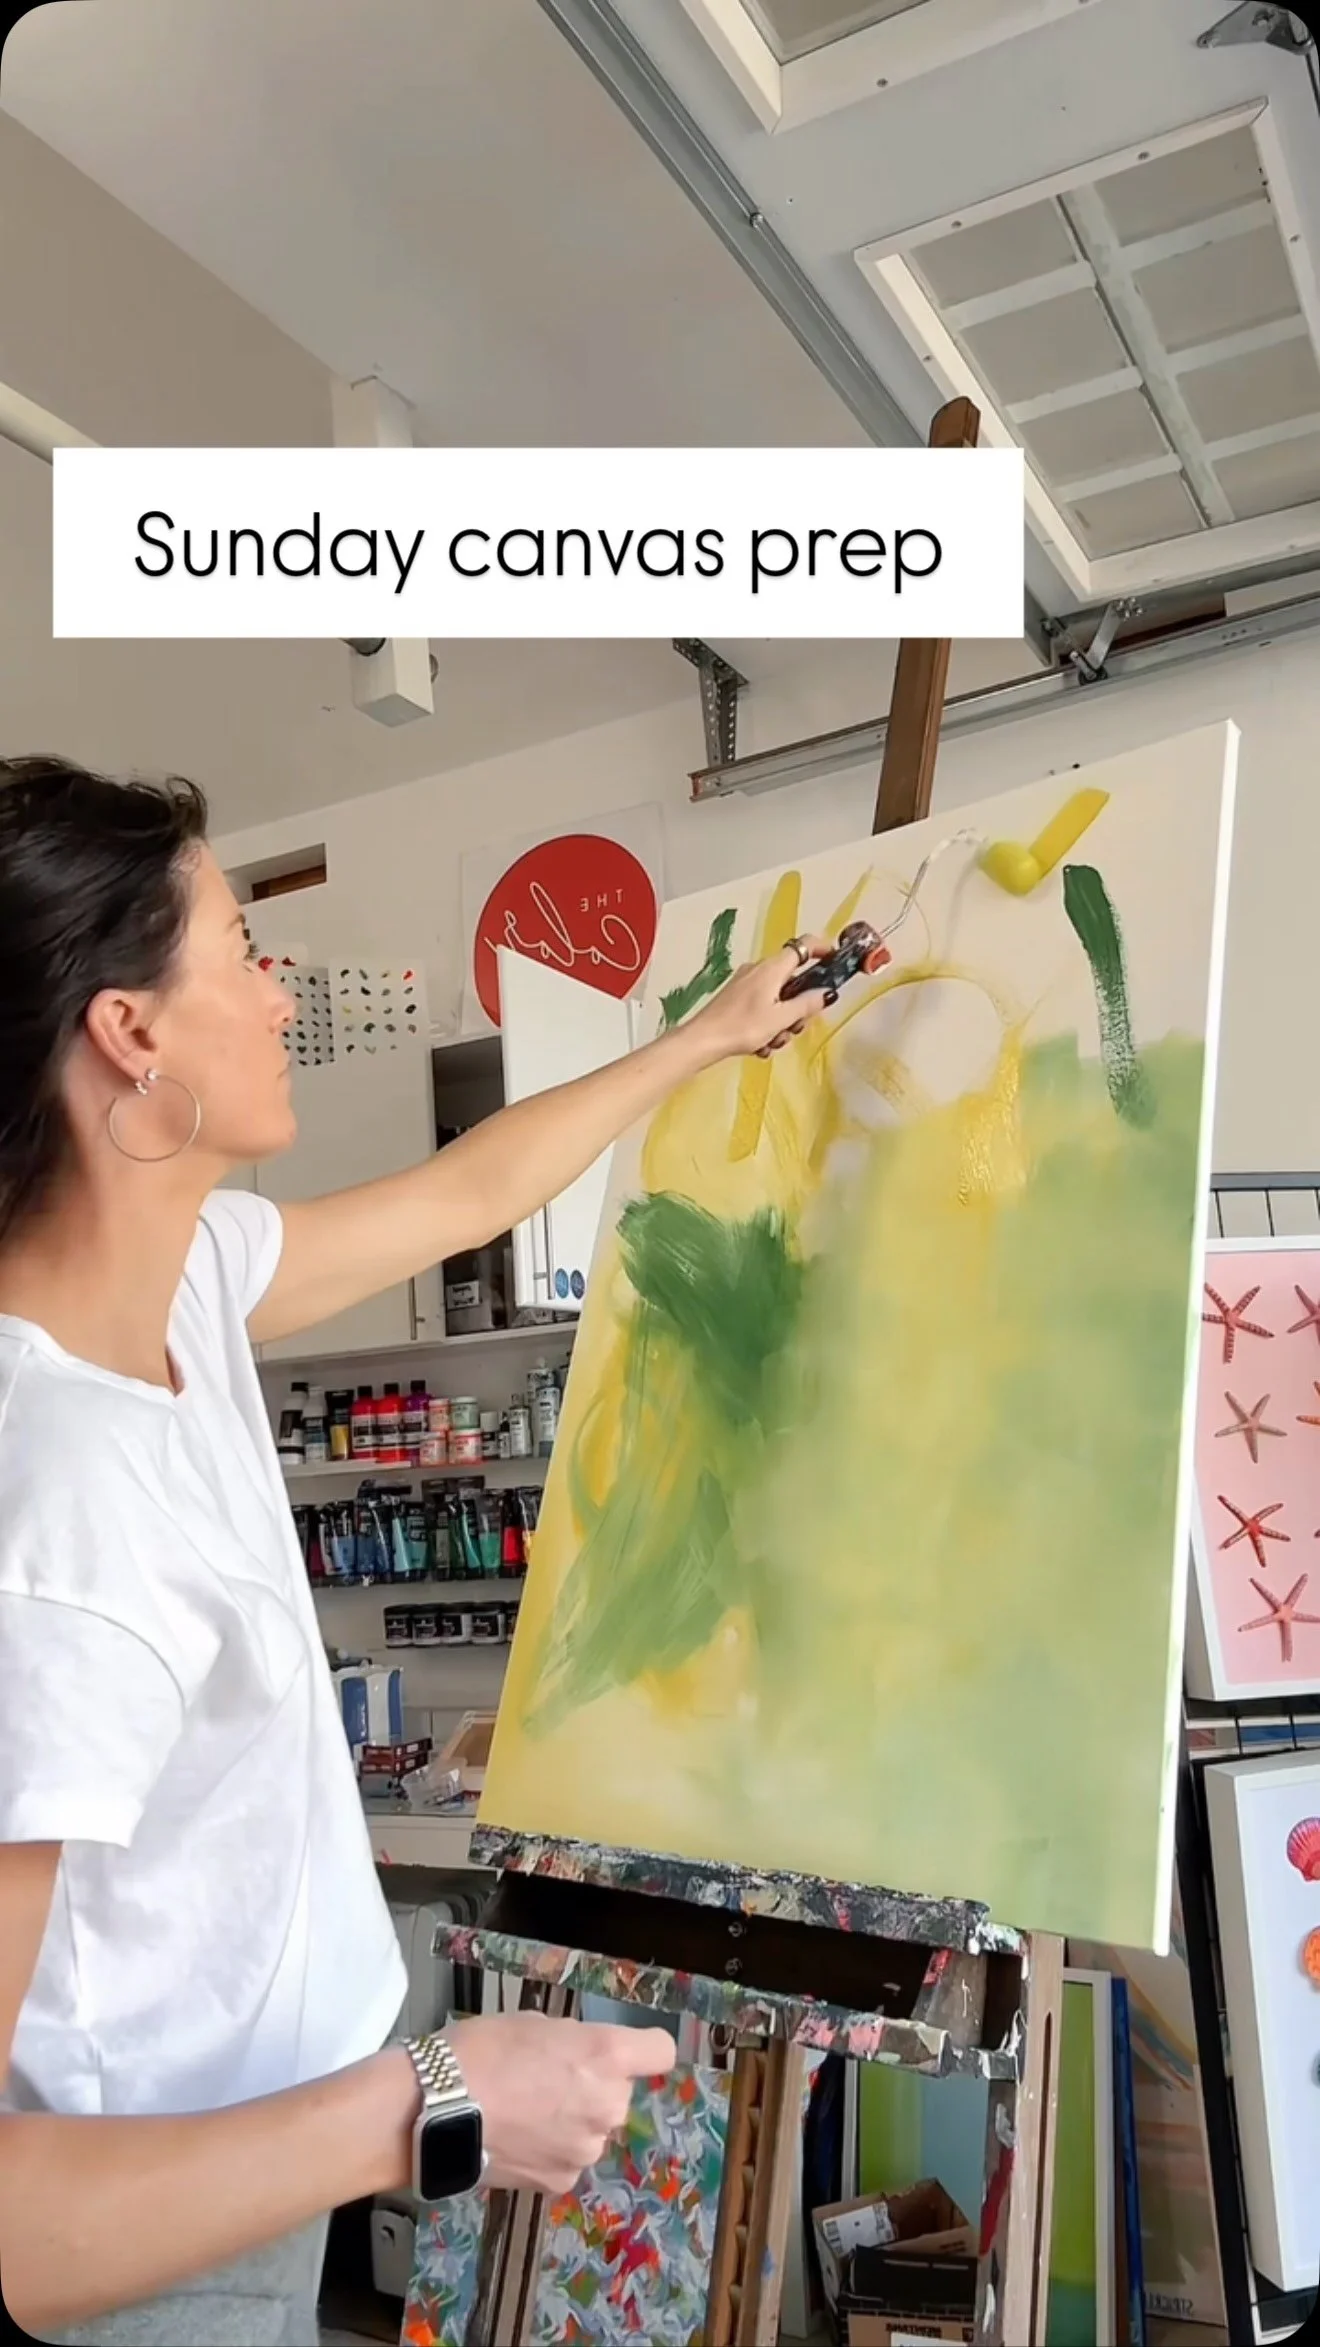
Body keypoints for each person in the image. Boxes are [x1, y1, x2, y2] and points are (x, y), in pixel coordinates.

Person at [0, 754, 828, 2345]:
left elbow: (471, 1188)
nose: (282, 990)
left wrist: (705, 1037)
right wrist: (434, 2099)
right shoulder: (53, 1505)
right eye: (246, 949)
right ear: (129, 1032)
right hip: (136, 2259)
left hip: (252, 2192)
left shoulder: (188, 1281)